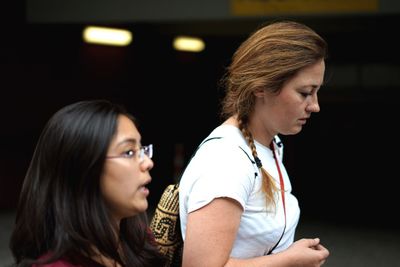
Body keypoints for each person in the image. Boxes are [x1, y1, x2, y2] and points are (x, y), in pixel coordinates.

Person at [179, 20, 330, 266]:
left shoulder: (268, 144)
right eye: (304, 92)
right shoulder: (226, 160)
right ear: (261, 87)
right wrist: (288, 260)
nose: (315, 105)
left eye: (316, 92)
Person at [9, 100, 166, 267]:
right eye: (128, 152)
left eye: (142, 150)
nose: (148, 163)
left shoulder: (139, 241)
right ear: (82, 169)